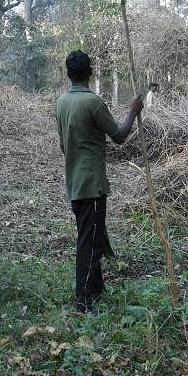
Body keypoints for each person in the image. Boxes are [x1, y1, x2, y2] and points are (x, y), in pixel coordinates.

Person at [54, 50, 144, 313]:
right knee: (89, 242)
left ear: (68, 74)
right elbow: (118, 136)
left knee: (91, 235)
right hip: (91, 183)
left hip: (75, 182)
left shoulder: (61, 103)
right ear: (90, 73)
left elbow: (63, 145)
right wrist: (133, 111)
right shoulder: (93, 102)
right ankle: (85, 301)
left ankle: (96, 290)